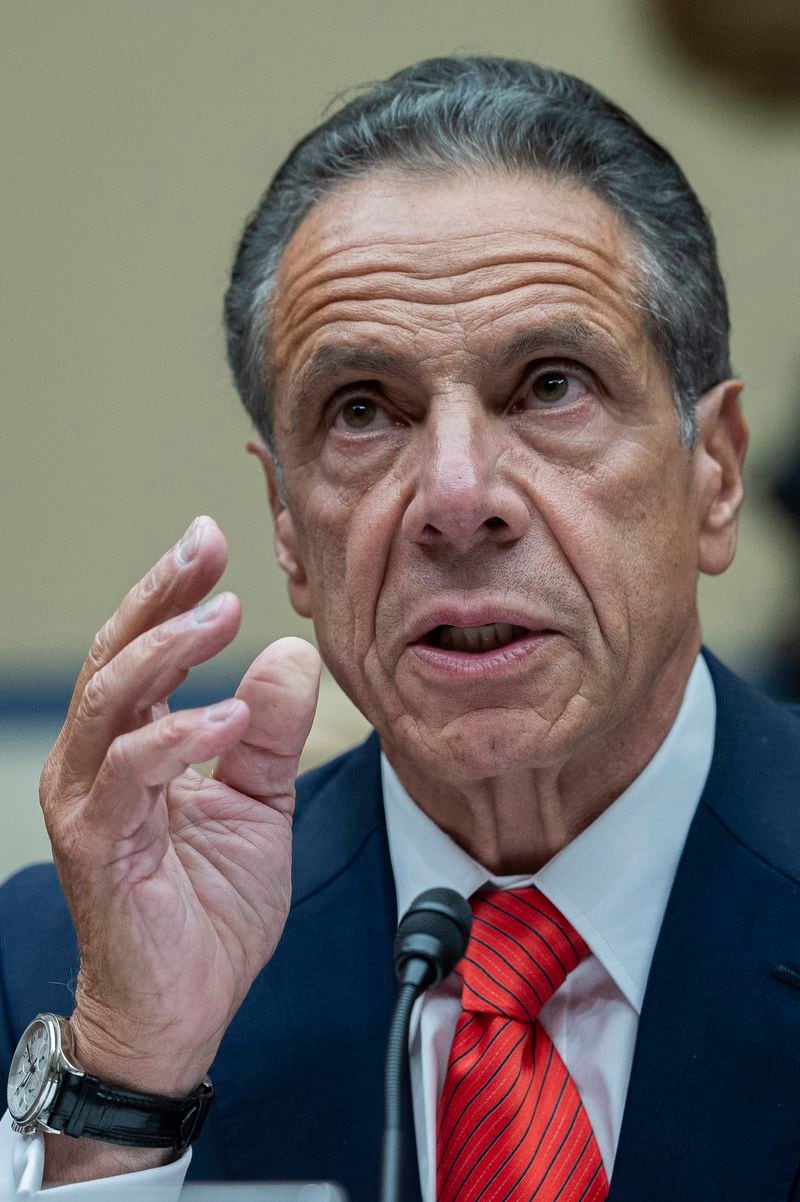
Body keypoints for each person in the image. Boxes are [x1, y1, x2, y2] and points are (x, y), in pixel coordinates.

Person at [1, 56, 799, 1202]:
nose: (456, 496)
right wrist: (131, 1084)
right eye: (363, 410)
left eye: (549, 385)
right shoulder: (64, 973)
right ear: (287, 524)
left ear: (712, 473)